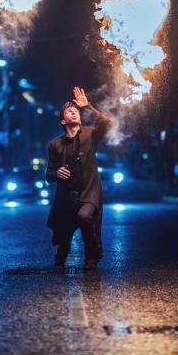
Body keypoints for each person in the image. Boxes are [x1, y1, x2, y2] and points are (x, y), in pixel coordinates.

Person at [46, 87, 113, 269]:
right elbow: (49, 175)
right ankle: (63, 248)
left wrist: (87, 106)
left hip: (89, 192)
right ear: (63, 120)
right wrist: (57, 173)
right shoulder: (55, 145)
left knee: (84, 216)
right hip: (67, 197)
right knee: (63, 239)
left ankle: (93, 253)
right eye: (69, 111)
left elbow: (107, 123)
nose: (74, 112)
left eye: (76, 110)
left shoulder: (90, 134)